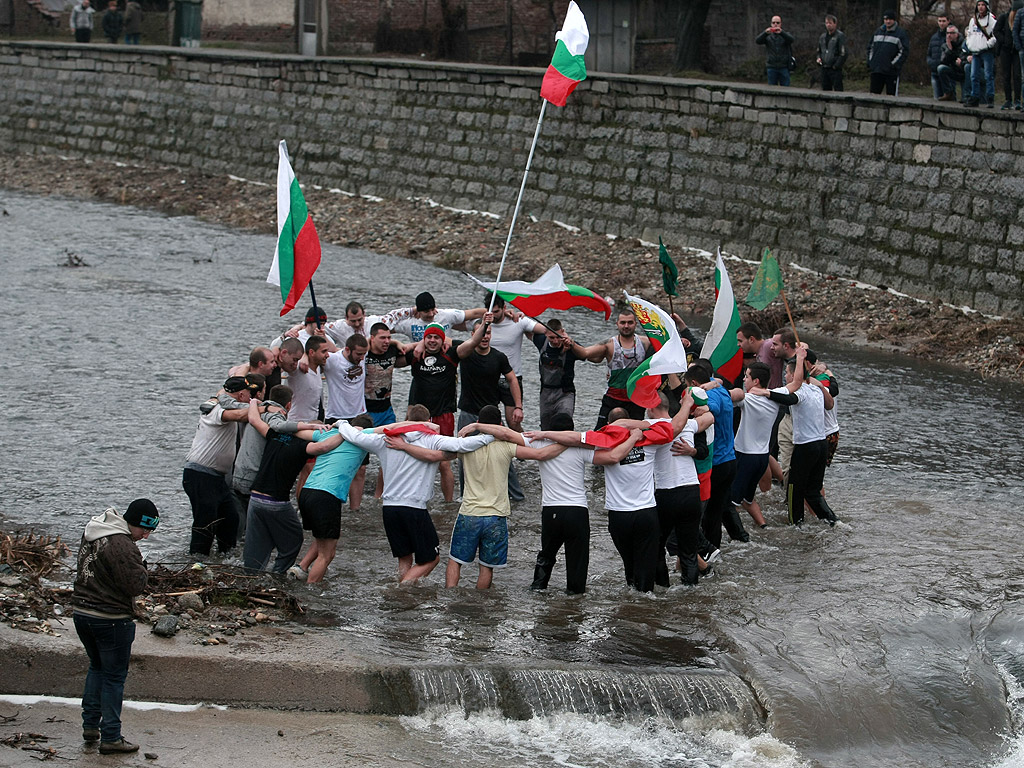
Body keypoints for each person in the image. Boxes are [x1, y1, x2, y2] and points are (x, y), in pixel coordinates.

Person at [338, 406, 495, 583]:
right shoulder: (431, 439)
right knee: (431, 558)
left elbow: (354, 436)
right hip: (414, 509)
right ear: (429, 422)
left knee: (405, 558)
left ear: (407, 419)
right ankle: (401, 590)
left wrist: (341, 423)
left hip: (389, 509)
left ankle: (402, 601)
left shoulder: (385, 439)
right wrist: (492, 435)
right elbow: (463, 444)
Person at [445, 406, 567, 590]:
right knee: (486, 567)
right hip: (496, 516)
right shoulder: (507, 446)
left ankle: (449, 599)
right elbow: (541, 454)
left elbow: (436, 455)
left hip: (469, 513)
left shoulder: (466, 447)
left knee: (455, 561)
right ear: (500, 424)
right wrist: (568, 442)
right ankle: (482, 607)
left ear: (479, 424)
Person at [72, 499, 158, 755]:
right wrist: (143, 569)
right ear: (133, 522)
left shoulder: (93, 531)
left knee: (96, 667)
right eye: (145, 529)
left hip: (81, 613)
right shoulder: (123, 545)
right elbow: (135, 586)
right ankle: (111, 736)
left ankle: (90, 726)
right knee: (113, 677)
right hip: (109, 618)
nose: (147, 535)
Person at [241, 398, 339, 574]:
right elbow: (324, 447)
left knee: (257, 542)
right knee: (294, 538)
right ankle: (278, 574)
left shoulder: (274, 434)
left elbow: (254, 420)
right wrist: (345, 432)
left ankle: (250, 576)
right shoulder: (303, 446)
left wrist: (254, 402)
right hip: (276, 502)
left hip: (255, 499)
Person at [749, 348, 838, 527]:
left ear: (793, 374)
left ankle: (796, 526)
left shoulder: (803, 391)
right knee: (812, 491)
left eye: (787, 373)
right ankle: (833, 522)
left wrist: (767, 393)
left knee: (794, 490)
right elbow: (829, 404)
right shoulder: (815, 389)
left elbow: (790, 399)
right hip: (821, 445)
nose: (786, 377)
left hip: (806, 447)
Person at [406, 320, 488, 501]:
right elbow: (389, 354)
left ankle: (448, 503)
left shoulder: (452, 353)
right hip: (419, 417)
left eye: (436, 337)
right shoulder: (416, 355)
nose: (432, 341)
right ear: (424, 339)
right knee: (413, 458)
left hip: (443, 415)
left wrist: (484, 324)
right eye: (429, 337)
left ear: (443, 340)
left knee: (444, 463)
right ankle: (413, 497)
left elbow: (473, 342)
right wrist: (418, 344)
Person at [183, 375, 261, 555]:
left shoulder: (221, 402)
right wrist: (263, 408)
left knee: (230, 519)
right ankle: (197, 562)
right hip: (200, 475)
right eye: (250, 394)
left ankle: (224, 559)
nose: (251, 397)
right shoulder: (216, 410)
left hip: (216, 478)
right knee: (206, 523)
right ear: (241, 395)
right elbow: (242, 414)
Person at [290, 415, 373, 583]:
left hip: (307, 492)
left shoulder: (327, 434)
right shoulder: (363, 435)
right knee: (327, 554)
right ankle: (310, 593)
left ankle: (301, 568)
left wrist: (318, 427)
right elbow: (391, 430)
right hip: (327, 495)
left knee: (325, 537)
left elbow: (297, 432)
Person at [570, 309, 653, 427]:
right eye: (623, 323)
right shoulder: (609, 344)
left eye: (630, 323)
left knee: (636, 435)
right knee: (600, 431)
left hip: (635, 399)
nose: (626, 326)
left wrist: (681, 340)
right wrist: (572, 343)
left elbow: (665, 346)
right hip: (613, 397)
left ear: (635, 324)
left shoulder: (646, 342)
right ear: (617, 324)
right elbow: (585, 353)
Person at [322, 333, 369, 509]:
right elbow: (313, 354)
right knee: (335, 465)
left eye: (364, 355)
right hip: (336, 416)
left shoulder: (362, 355)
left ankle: (355, 510)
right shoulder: (333, 360)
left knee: (361, 468)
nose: (362, 358)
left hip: (360, 416)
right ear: (347, 349)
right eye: (358, 355)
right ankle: (332, 505)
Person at [533, 318, 580, 429]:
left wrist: (572, 344)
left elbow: (586, 355)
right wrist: (518, 315)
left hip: (565, 392)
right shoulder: (540, 341)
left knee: (564, 423)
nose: (555, 341)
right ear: (545, 334)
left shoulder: (571, 346)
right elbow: (525, 328)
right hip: (546, 392)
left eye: (558, 337)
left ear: (563, 332)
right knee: (545, 427)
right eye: (551, 337)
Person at [868, 10, 910, 96]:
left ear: (894, 20)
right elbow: (870, 47)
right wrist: (871, 62)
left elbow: (904, 51)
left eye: (890, 19)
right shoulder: (877, 32)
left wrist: (893, 65)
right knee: (873, 96)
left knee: (891, 97)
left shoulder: (900, 34)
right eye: (886, 19)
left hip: (891, 72)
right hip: (876, 70)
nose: (888, 21)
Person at [965, 0, 998, 108]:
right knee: (974, 75)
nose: (980, 7)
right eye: (979, 5)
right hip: (975, 51)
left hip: (986, 51)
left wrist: (988, 44)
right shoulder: (973, 20)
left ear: (987, 6)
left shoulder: (992, 20)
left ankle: (990, 98)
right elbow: (969, 34)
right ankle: (975, 97)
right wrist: (970, 44)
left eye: (983, 5)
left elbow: (995, 35)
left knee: (989, 75)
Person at [755, 15, 795, 87]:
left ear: (780, 24)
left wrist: (782, 32)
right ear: (771, 24)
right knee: (772, 88)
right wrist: (765, 33)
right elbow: (758, 41)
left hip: (784, 67)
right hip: (771, 67)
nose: (775, 24)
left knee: (786, 88)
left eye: (777, 22)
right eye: (773, 23)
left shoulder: (785, 35)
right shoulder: (768, 37)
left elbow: (791, 40)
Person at [996, 8, 1021, 109]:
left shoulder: (1021, 17)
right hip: (1005, 50)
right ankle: (1008, 99)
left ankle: (1017, 99)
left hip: (1016, 50)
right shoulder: (1004, 17)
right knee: (1006, 76)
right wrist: (1004, 41)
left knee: (1017, 75)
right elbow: (996, 30)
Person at [816, 14, 847, 91]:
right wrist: (818, 58)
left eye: (830, 23)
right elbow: (819, 51)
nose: (828, 25)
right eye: (826, 23)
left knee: (838, 89)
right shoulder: (822, 37)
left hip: (834, 69)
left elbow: (843, 53)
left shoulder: (839, 36)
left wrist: (836, 66)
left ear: (835, 24)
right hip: (824, 68)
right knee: (825, 89)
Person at [937, 26, 968, 102]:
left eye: (952, 33)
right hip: (954, 69)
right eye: (947, 33)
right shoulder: (945, 46)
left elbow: (964, 56)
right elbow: (943, 61)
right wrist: (949, 50)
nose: (949, 35)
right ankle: (948, 92)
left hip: (963, 71)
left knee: (965, 99)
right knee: (941, 68)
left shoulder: (964, 43)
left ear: (956, 34)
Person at [928, 14, 951, 99]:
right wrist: (931, 62)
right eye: (940, 21)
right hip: (934, 71)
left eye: (944, 21)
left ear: (948, 21)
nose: (941, 23)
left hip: (946, 72)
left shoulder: (952, 36)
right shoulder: (934, 37)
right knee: (936, 98)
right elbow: (929, 53)